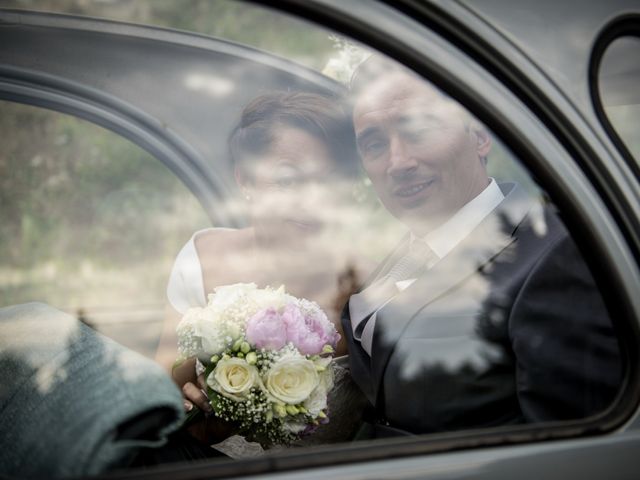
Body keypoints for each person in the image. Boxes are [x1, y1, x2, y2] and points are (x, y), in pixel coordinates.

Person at [342, 57, 622, 437]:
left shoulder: (558, 255)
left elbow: (573, 447)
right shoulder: (400, 252)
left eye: (418, 129)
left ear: (479, 135)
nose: (398, 162)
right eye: (374, 144)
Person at [157, 91, 370, 447]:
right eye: (288, 180)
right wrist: (191, 413)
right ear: (244, 180)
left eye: (328, 181)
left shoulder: (368, 285)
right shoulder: (202, 259)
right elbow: (166, 393)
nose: (313, 202)